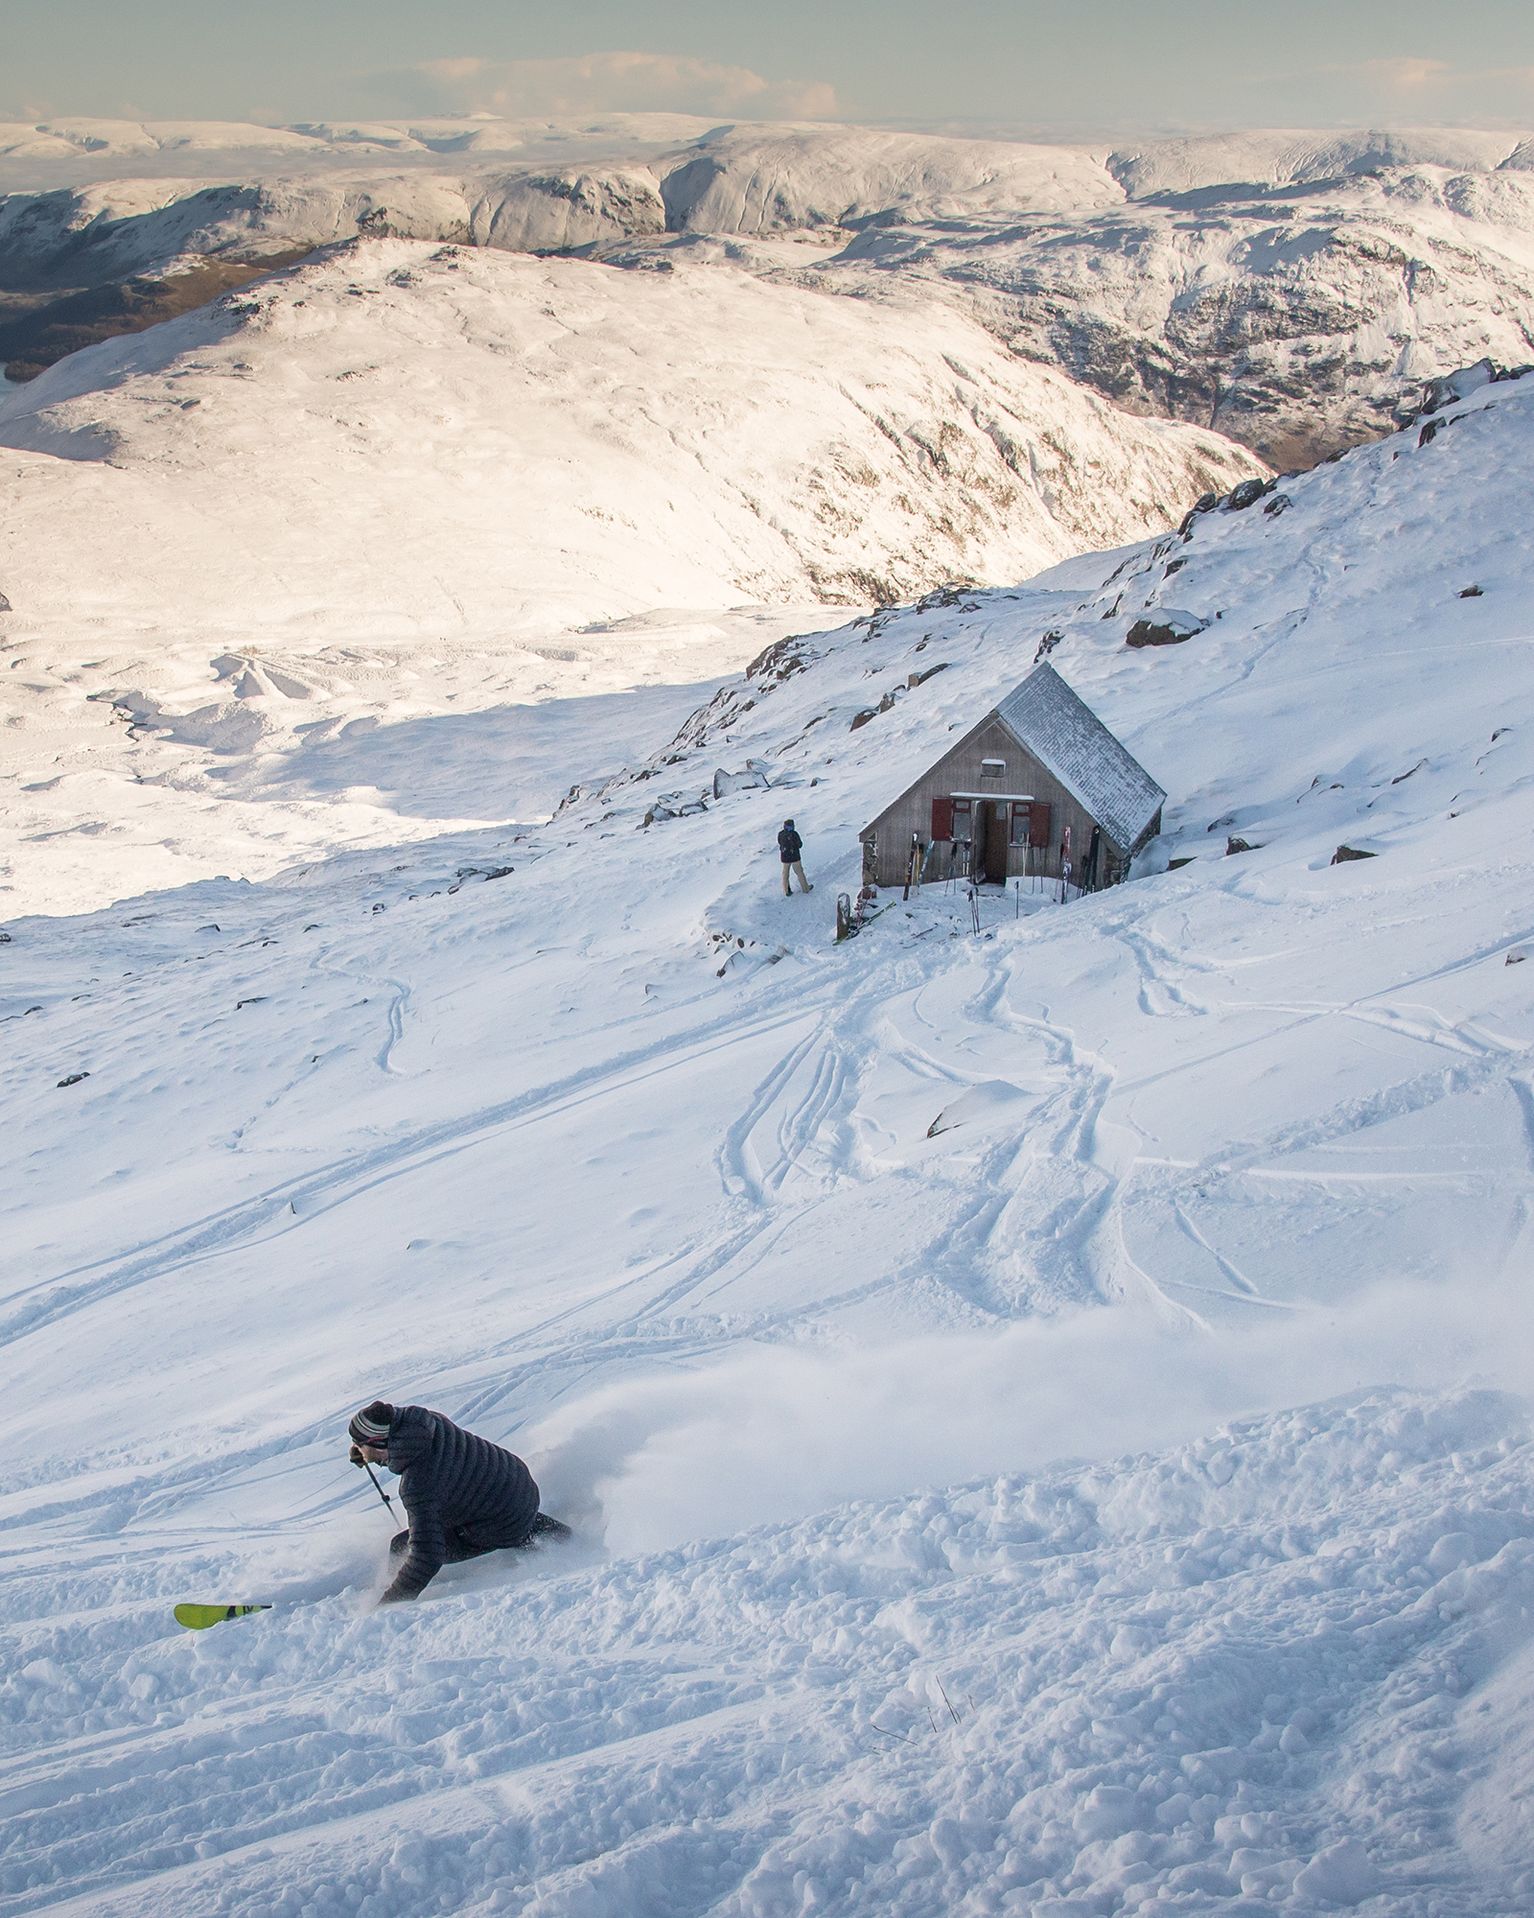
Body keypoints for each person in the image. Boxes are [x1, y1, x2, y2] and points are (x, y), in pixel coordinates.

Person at [348, 1400, 570, 1603]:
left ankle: (392, 1587)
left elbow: (426, 1556)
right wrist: (373, 1455)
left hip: (502, 1523)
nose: (357, 1449)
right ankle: (564, 1538)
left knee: (401, 1546)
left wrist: (388, 1605)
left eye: (359, 1445)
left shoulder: (417, 1485)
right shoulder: (426, 1421)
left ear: (378, 1442)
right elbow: (400, 1447)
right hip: (519, 1484)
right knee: (488, 1507)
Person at [777, 818, 812, 896]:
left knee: (785, 874)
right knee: (799, 872)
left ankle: (787, 891)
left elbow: (779, 842)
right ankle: (805, 888)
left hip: (785, 857)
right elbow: (800, 845)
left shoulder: (781, 834)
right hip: (795, 857)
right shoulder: (795, 834)